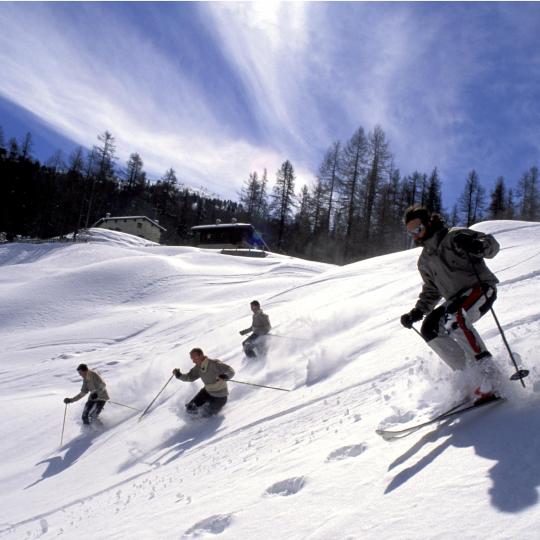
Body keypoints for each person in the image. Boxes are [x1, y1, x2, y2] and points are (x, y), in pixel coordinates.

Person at [400, 205, 503, 402]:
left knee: (455, 317)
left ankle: (490, 375)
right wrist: (417, 312)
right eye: (411, 232)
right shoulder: (424, 261)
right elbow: (431, 290)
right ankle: (470, 377)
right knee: (430, 329)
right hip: (456, 301)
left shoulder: (454, 236)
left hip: (480, 289)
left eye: (418, 229)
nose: (415, 235)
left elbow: (491, 245)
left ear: (429, 223)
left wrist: (478, 245)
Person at [172, 348, 235, 417]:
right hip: (207, 392)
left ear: (201, 355)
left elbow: (230, 370)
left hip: (220, 396)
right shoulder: (198, 367)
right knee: (190, 409)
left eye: (195, 358)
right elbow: (189, 377)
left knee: (205, 415)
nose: (193, 361)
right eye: (192, 359)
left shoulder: (214, 363)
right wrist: (179, 375)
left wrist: (226, 375)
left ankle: (203, 426)